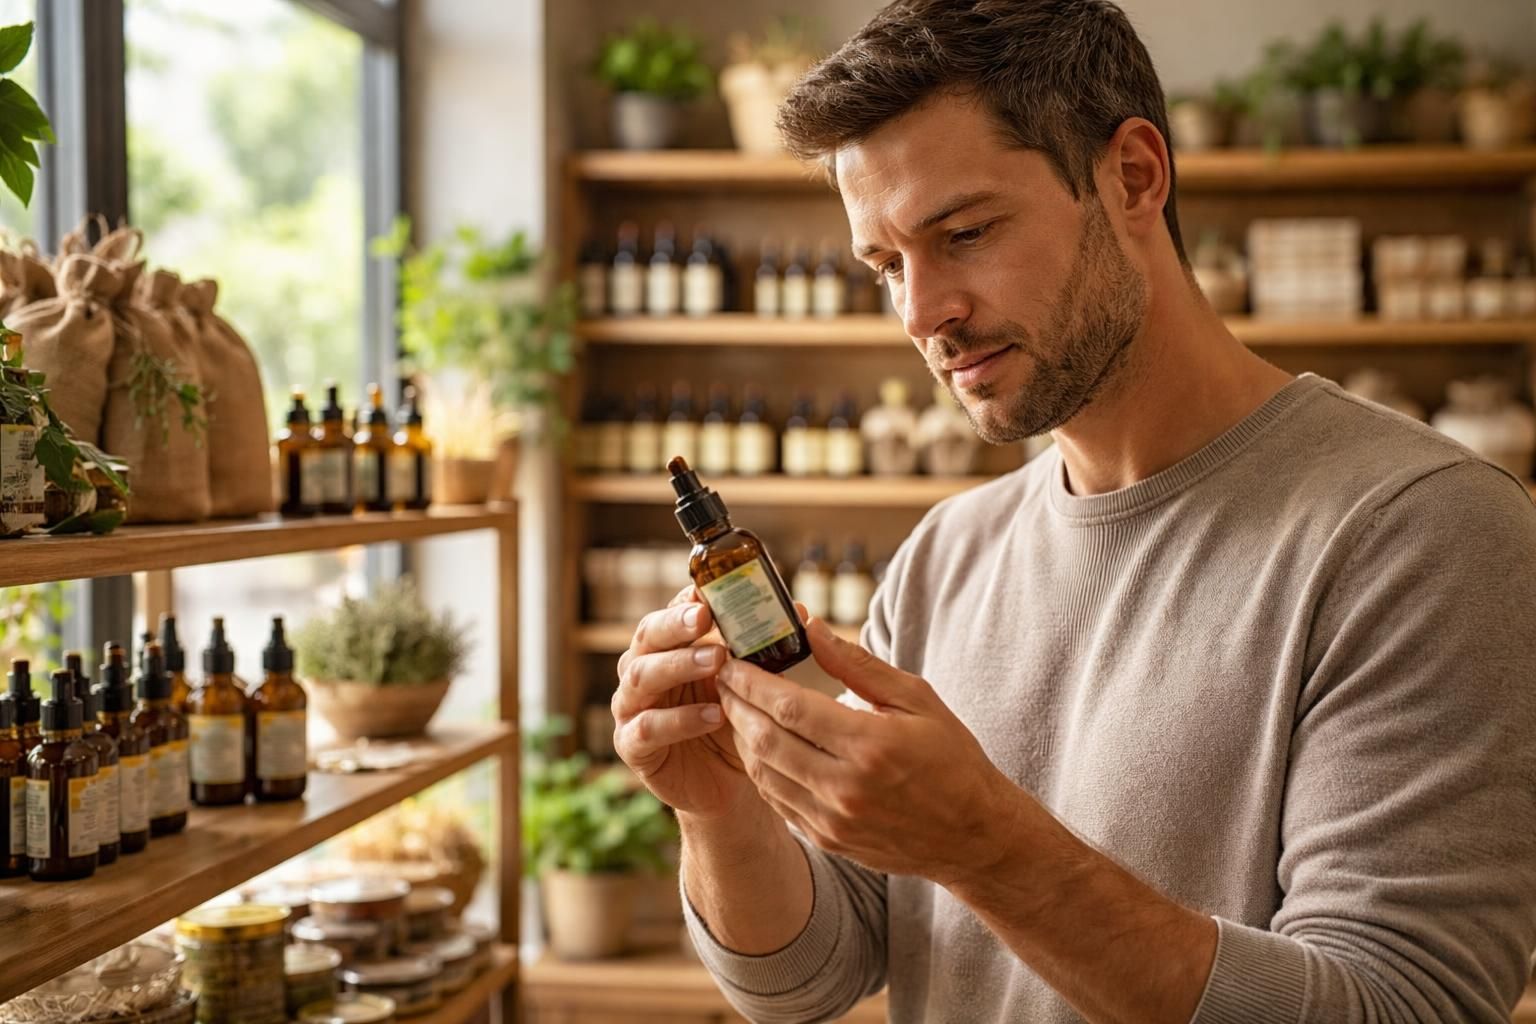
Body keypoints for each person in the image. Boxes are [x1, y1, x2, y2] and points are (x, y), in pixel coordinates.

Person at [610, 2, 1536, 1021]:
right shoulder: (945, 557)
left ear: (1134, 177)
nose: (922, 314)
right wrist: (721, 809)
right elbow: (811, 977)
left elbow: (1405, 1007)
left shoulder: (1422, 531)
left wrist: (987, 845)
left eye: (963, 233)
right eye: (886, 266)